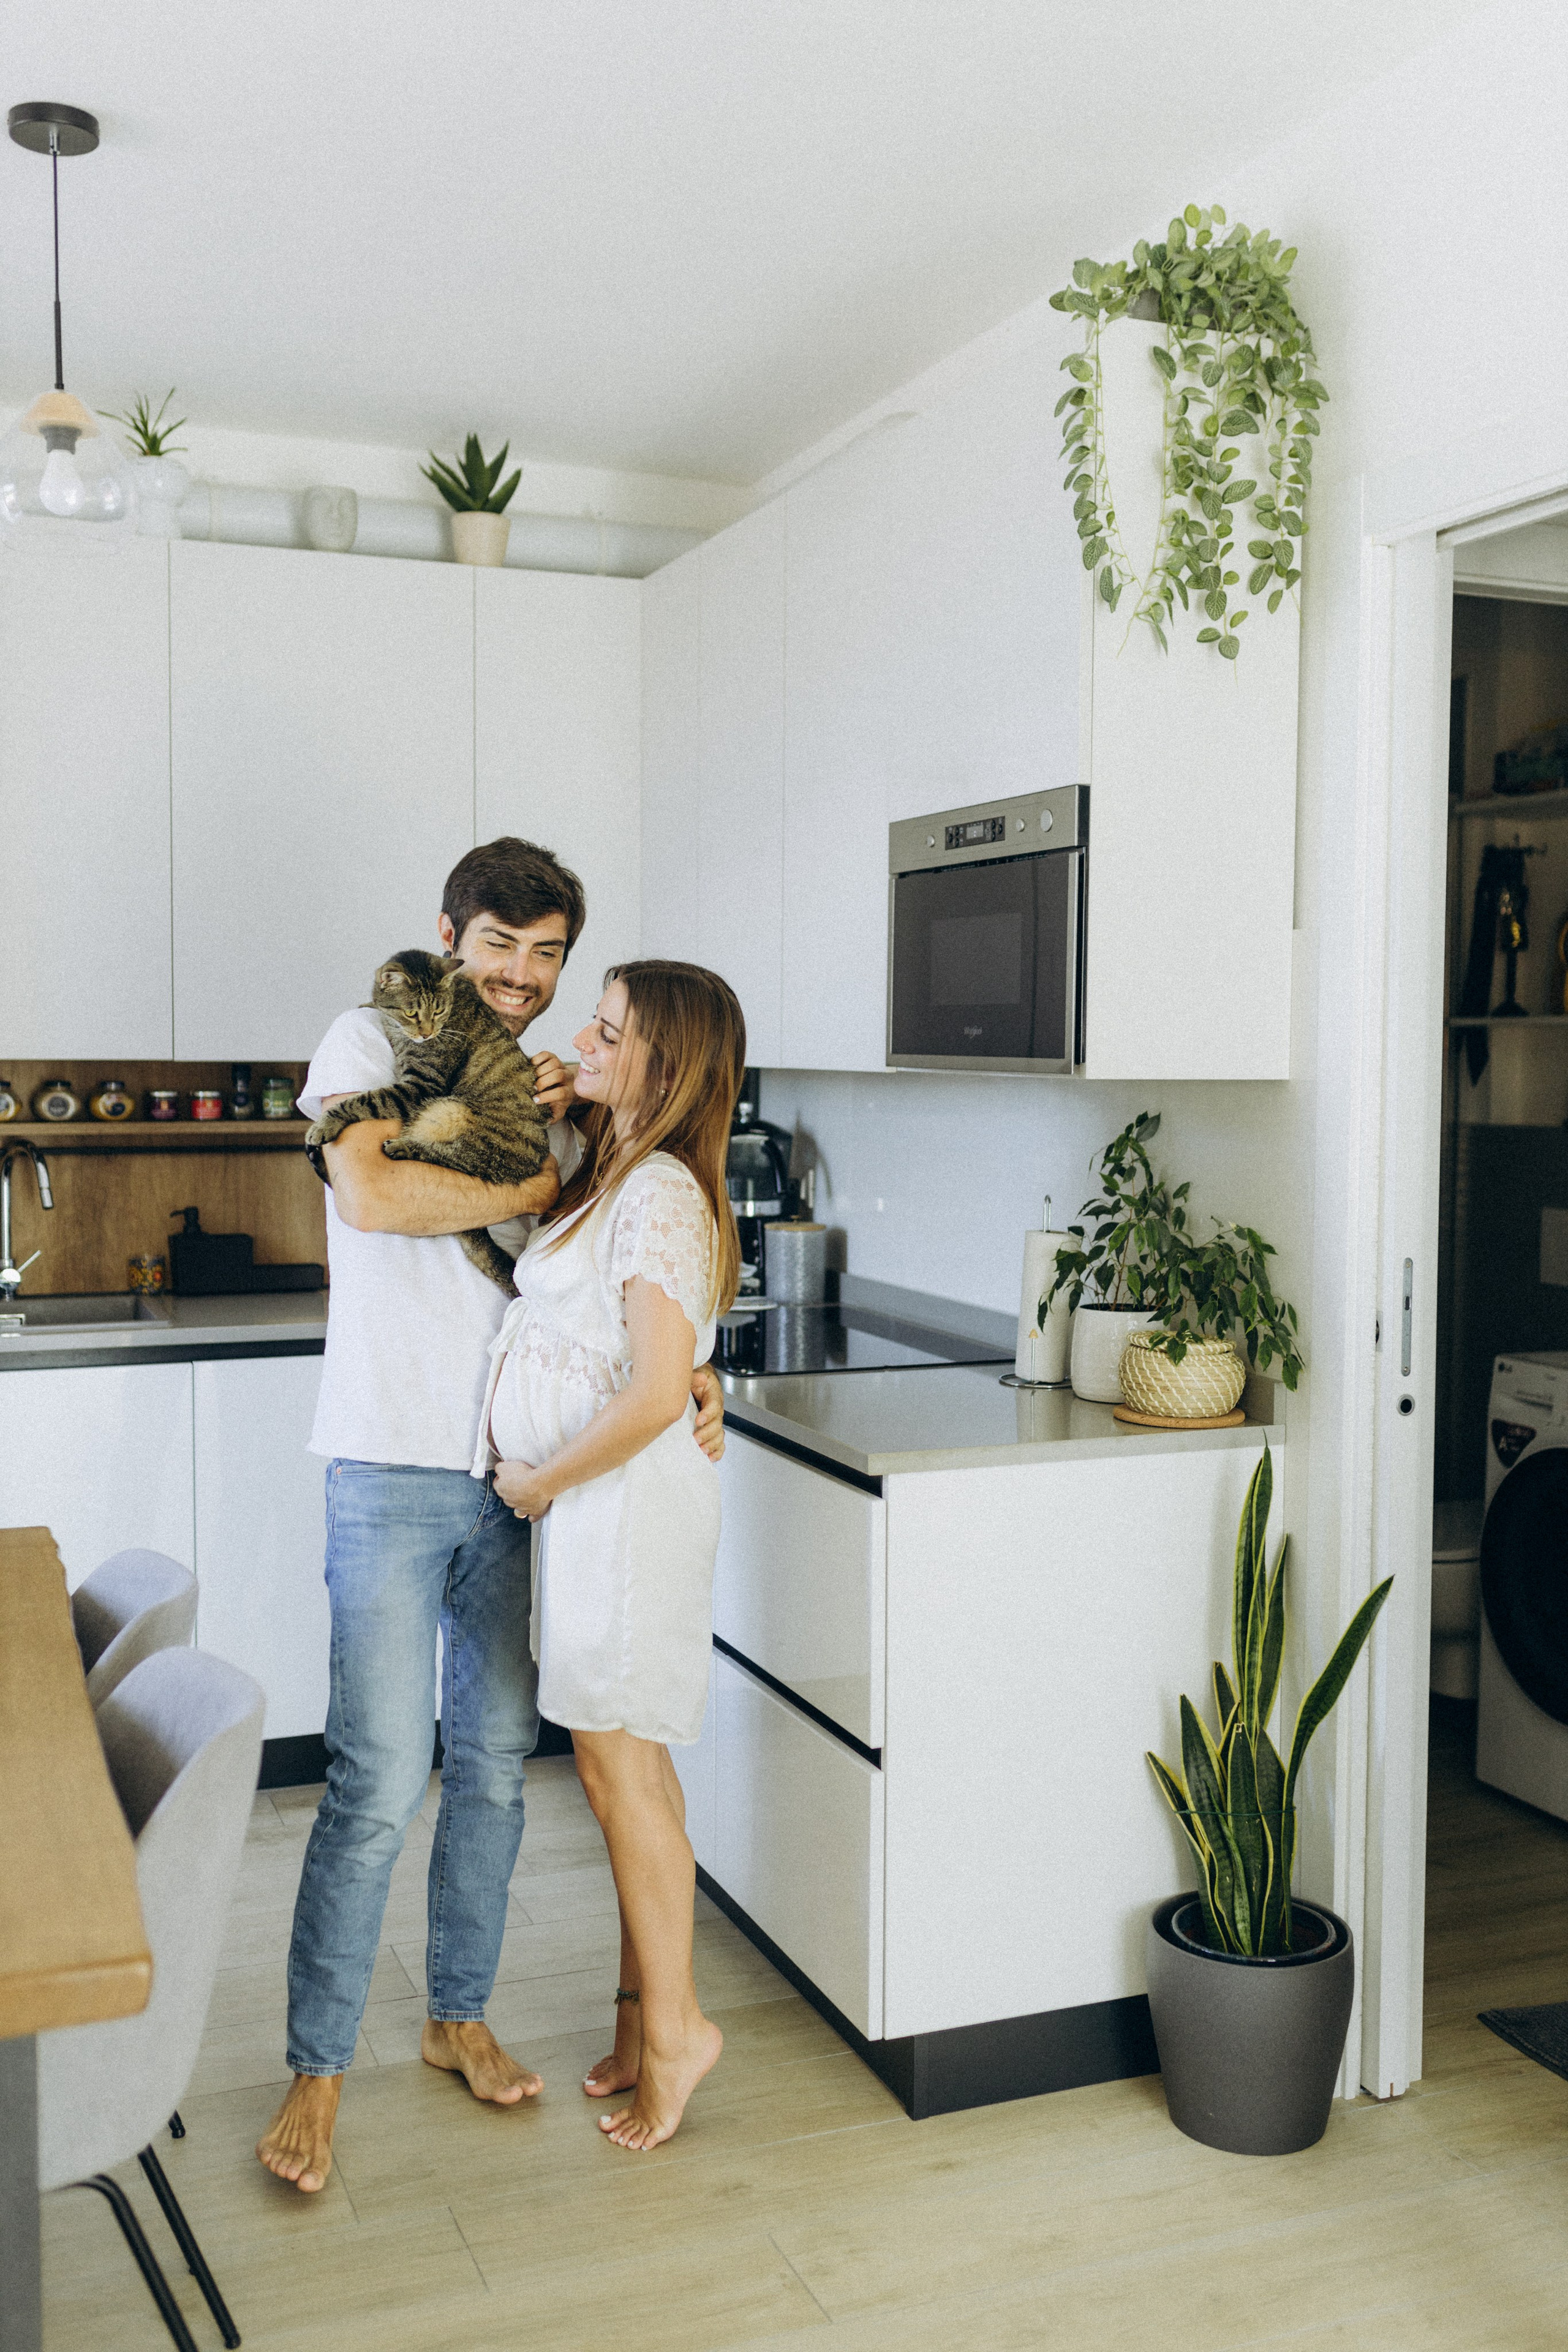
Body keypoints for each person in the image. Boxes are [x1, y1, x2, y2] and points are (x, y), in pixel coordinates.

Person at [256, 843, 726, 2195]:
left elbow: (620, 1278)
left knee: (497, 1767)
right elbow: (374, 1193)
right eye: (498, 947)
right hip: (390, 1464)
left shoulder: (570, 1094)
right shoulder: (369, 1041)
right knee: (374, 1777)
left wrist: (693, 1377)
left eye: (546, 955)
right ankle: (316, 2074)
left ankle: (456, 2016)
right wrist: (530, 1185)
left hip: (528, 1485)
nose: (522, 978)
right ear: (449, 937)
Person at [475, 959, 744, 2150]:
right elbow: (631, 1344)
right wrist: (540, 1115)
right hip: (601, 1509)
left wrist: (538, 1480)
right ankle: (642, 2018)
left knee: (620, 1775)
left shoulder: (661, 1192)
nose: (580, 1036)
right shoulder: (613, 1170)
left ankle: (678, 2034)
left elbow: (649, 1394)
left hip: (622, 1513)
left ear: (662, 1063)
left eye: (607, 1028)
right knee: (623, 1771)